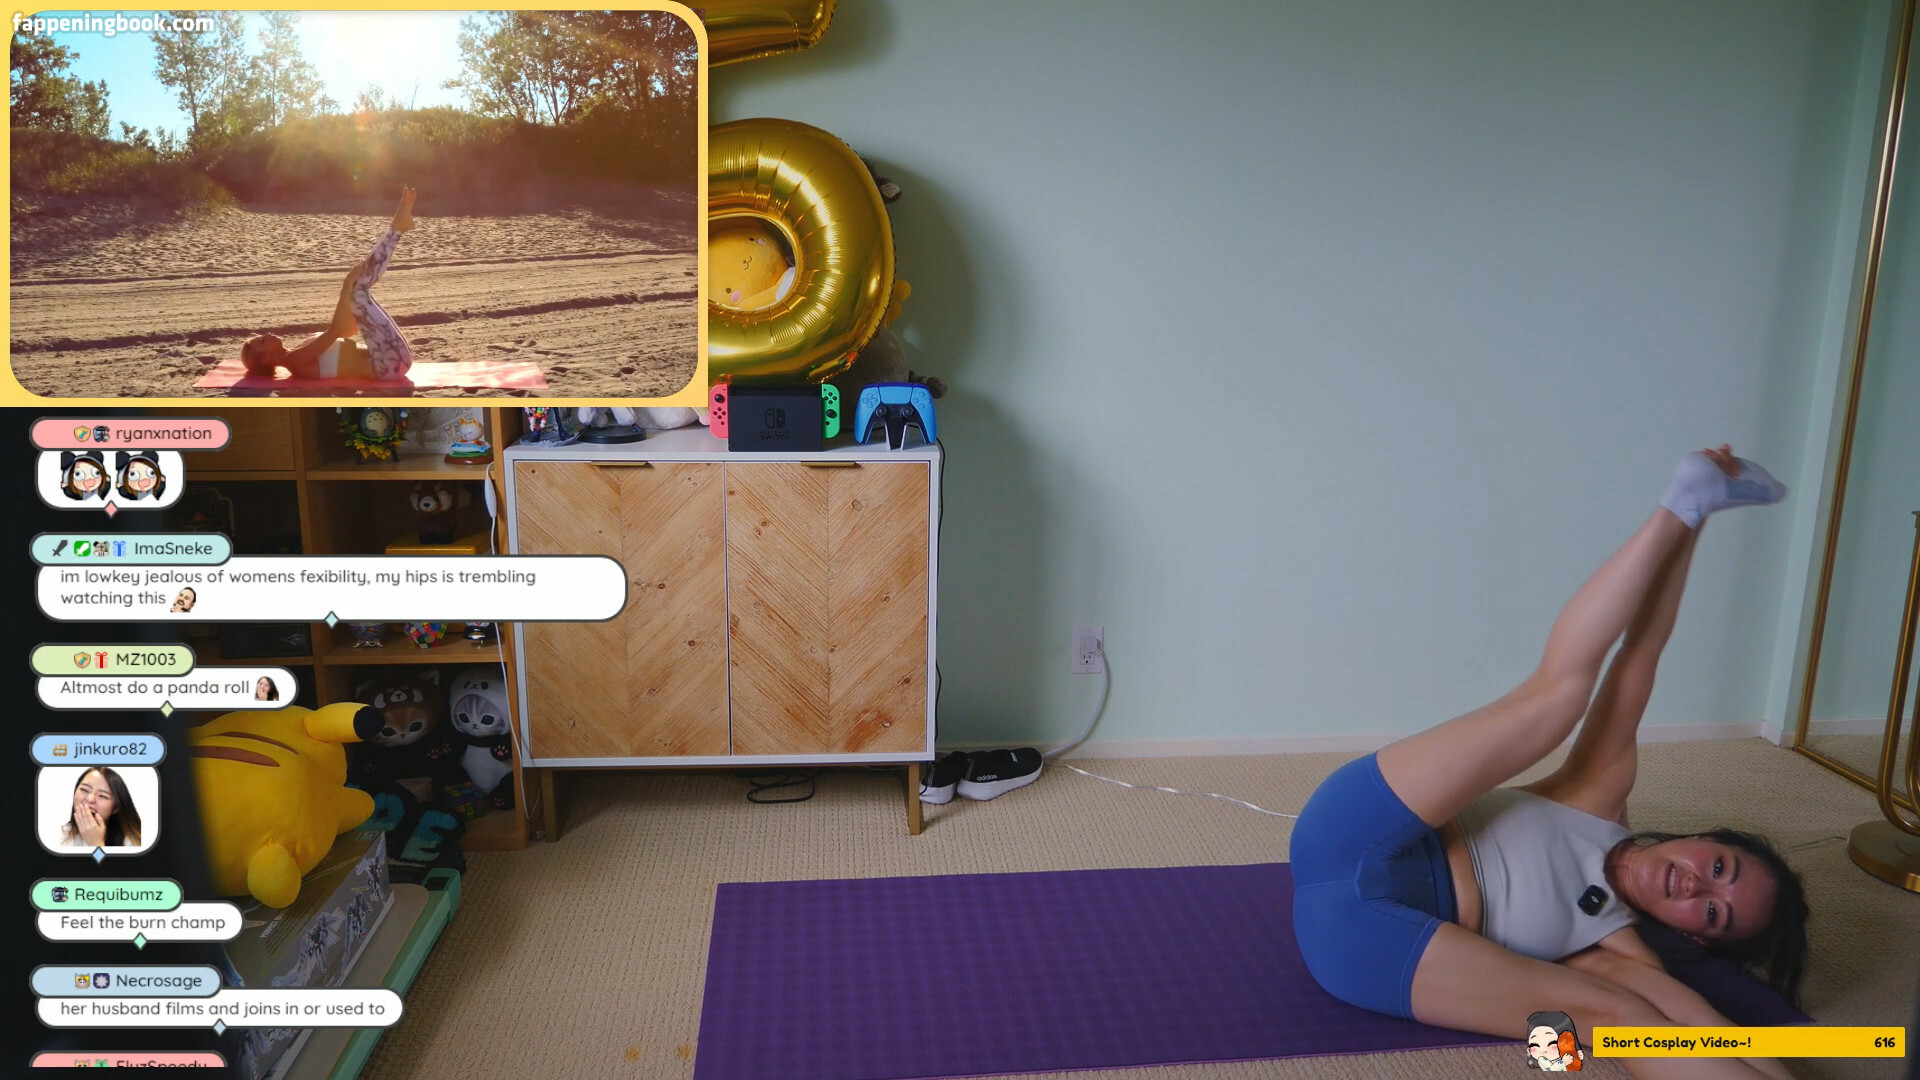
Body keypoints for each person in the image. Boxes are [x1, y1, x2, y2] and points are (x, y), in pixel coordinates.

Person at [1290, 446, 1807, 1080]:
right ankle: (1685, 499)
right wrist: (1693, 523)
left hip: (1356, 947)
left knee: (1620, 1022)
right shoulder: (1597, 795)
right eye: (1720, 866)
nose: (1697, 886)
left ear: (1694, 938)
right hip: (1346, 829)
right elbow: (1642, 650)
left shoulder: (1615, 951)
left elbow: (1703, 1025)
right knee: (1555, 700)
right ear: (1704, 838)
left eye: (1712, 914)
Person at [241, 187, 417, 382]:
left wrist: (349, 294)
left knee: (356, 289)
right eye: (262, 341)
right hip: (389, 365)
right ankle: (396, 230)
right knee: (356, 289)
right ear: (266, 358)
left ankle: (397, 229)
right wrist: (346, 286)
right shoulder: (295, 361)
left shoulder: (298, 350)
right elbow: (336, 330)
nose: (267, 334)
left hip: (391, 359)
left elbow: (348, 330)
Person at [59, 767, 143, 848]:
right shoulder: (60, 836)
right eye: (84, 790)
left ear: (115, 808)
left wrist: (96, 843)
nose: (90, 799)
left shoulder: (134, 842)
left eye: (102, 796)